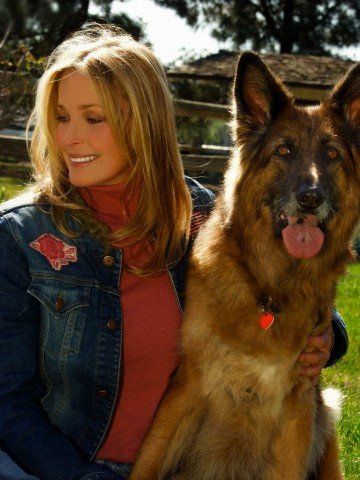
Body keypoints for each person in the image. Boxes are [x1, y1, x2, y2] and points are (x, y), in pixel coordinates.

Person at [0, 23, 348, 480]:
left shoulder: (200, 214)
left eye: (93, 117)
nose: (68, 138)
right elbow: (7, 401)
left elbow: (292, 291)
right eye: (61, 117)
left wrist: (326, 339)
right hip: (54, 469)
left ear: (143, 121)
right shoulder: (19, 235)